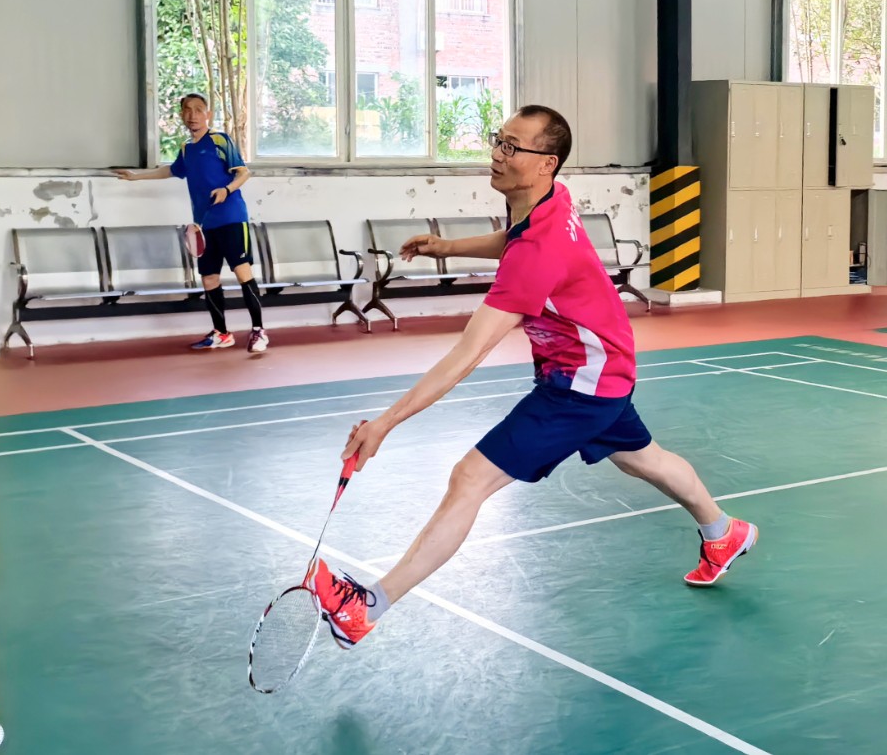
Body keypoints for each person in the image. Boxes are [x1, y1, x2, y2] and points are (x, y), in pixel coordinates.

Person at [306, 105, 757, 648]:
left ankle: (365, 608)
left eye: (512, 147)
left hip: (581, 384)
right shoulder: (548, 201)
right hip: (606, 365)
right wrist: (447, 247)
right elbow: (514, 237)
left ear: (547, 163)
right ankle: (723, 532)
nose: (498, 155)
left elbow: (467, 354)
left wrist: (384, 423)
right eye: (498, 141)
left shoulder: (539, 253)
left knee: (469, 479)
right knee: (644, 459)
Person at [112, 93, 269, 353]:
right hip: (204, 225)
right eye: (187, 110)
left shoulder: (220, 140)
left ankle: (258, 331)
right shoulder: (187, 148)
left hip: (231, 218)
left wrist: (226, 190)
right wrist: (136, 177)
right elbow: (172, 170)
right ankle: (222, 333)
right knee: (209, 278)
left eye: (198, 109)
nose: (192, 115)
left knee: (242, 273)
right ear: (182, 115)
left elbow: (244, 173)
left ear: (208, 114)